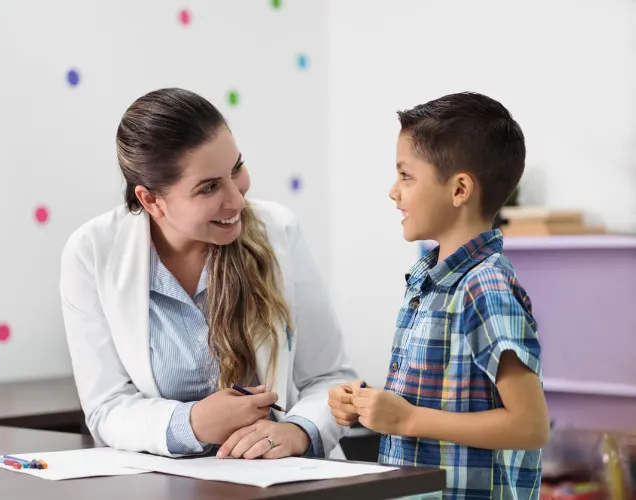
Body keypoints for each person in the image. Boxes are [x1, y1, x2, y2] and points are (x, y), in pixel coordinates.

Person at [60, 87, 356, 460]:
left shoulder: (278, 230)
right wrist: (193, 423)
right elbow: (106, 406)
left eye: (236, 169)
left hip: (281, 479)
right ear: (151, 200)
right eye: (209, 187)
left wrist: (297, 431)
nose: (237, 200)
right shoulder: (91, 252)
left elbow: (332, 379)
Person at [328, 92, 550, 498]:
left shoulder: (485, 288)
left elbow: (530, 426)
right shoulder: (429, 283)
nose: (393, 192)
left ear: (460, 188)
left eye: (406, 176)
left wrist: (408, 420)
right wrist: (366, 406)